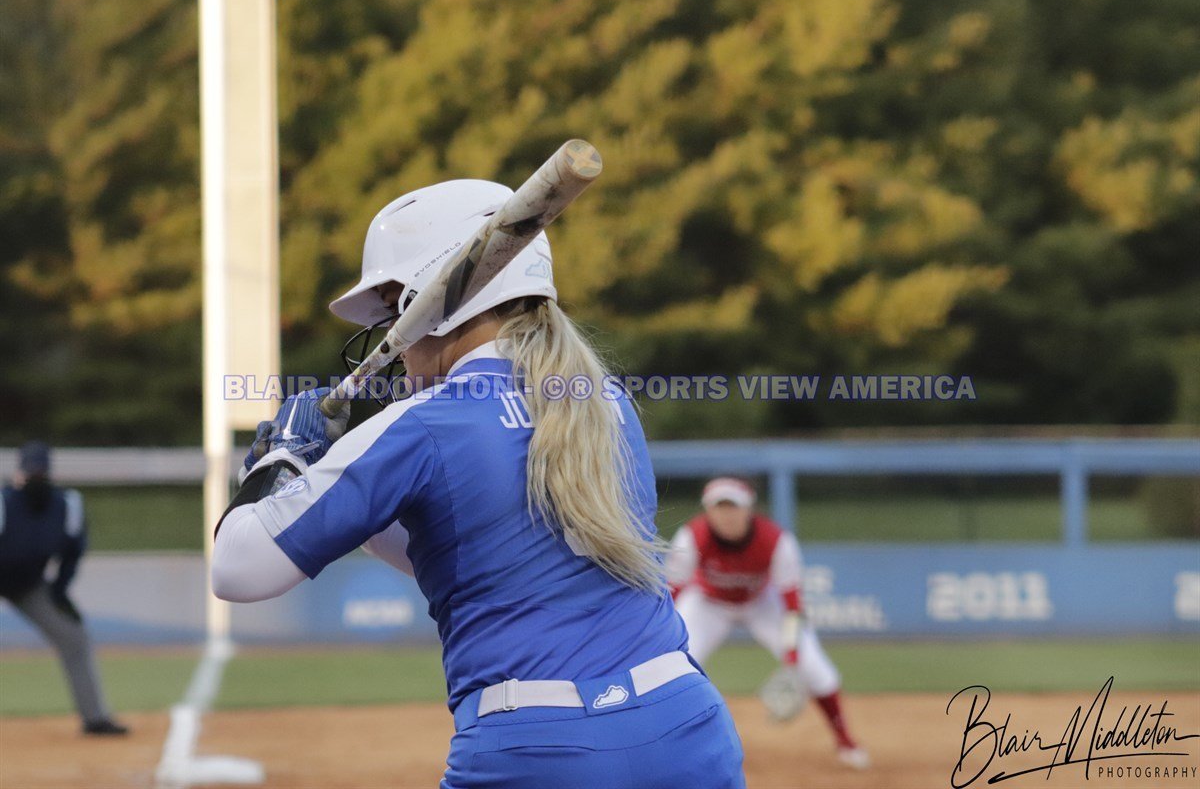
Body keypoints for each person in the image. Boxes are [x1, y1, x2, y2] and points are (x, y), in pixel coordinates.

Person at [210, 179, 746, 788]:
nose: (394, 342)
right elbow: (463, 555)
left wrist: (282, 460)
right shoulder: (604, 401)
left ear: (434, 301)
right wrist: (334, 485)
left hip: (535, 747)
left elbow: (236, 569)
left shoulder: (422, 425)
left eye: (395, 312)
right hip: (686, 723)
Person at [666, 476, 869, 770]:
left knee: (815, 669)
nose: (726, 515)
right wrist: (662, 639)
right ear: (707, 510)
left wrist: (793, 659)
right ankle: (668, 745)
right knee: (675, 664)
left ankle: (845, 741)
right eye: (719, 507)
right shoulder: (692, 536)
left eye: (733, 507)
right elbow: (672, 592)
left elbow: (793, 606)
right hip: (708, 602)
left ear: (749, 509)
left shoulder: (776, 540)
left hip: (761, 602)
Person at [0, 442, 128, 735]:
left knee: (74, 637)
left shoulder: (65, 506)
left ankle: (95, 718)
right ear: (19, 474)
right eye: (31, 472)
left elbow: (73, 552)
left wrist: (59, 591)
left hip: (27, 585)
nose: (36, 477)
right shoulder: (4, 503)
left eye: (40, 471)